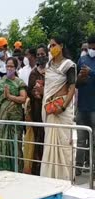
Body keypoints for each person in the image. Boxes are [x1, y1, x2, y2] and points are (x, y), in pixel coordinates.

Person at [40, 37, 76, 180]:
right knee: (49, 144)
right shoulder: (49, 66)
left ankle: (64, 179)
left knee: (63, 145)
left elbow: (72, 87)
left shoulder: (69, 65)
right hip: (50, 111)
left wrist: (63, 107)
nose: (51, 48)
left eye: (54, 45)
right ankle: (49, 179)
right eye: (50, 46)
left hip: (62, 112)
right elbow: (49, 88)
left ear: (61, 46)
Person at [0, 57, 27, 172]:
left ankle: (16, 170)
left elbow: (23, 98)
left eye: (11, 66)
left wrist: (10, 97)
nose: (9, 68)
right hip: (2, 119)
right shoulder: (1, 81)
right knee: (2, 143)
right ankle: (2, 169)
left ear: (16, 67)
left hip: (15, 120)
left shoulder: (19, 82)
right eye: (7, 66)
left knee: (15, 144)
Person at [24, 44, 48, 175]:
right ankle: (36, 170)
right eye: (38, 54)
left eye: (42, 54)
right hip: (36, 110)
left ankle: (47, 168)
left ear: (47, 55)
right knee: (37, 139)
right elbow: (29, 91)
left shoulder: (51, 71)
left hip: (48, 110)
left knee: (47, 139)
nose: (40, 57)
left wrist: (43, 92)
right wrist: (34, 93)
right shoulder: (33, 72)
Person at [75, 35, 95, 176]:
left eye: (93, 47)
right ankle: (78, 168)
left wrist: (91, 72)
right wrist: (81, 77)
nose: (91, 49)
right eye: (90, 46)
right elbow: (75, 83)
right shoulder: (82, 59)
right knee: (81, 140)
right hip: (82, 106)